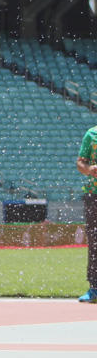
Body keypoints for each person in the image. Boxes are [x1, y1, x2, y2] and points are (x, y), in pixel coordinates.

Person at [75, 125, 97, 302]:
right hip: (94, 194)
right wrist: (89, 169)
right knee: (95, 241)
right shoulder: (92, 134)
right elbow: (81, 162)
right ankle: (94, 288)